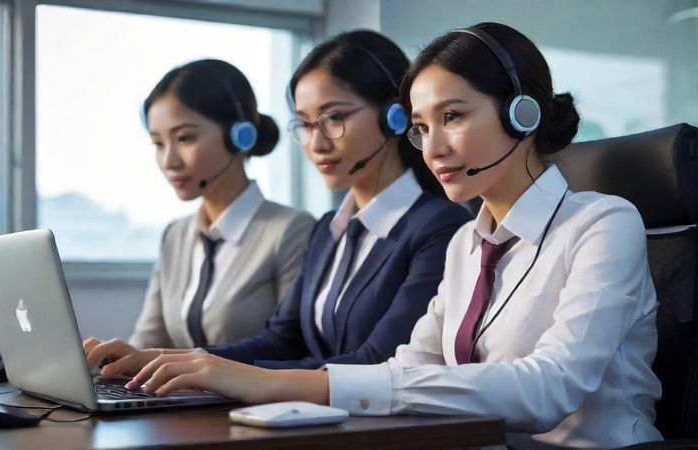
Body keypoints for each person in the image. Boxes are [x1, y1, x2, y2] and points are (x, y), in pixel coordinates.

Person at [119, 23, 663, 449]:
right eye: (422, 128)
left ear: (523, 113)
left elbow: (550, 389)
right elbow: (407, 369)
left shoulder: (603, 223)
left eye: (452, 116)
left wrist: (282, 383)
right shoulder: (466, 245)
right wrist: (216, 374)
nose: (432, 149)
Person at [85, 30, 470, 376]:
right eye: (304, 123)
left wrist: (229, 378)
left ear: (395, 117)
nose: (316, 143)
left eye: (334, 117)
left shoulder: (439, 227)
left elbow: (379, 361)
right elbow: (281, 340)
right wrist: (166, 361)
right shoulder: (328, 230)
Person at [83, 59, 315, 361]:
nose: (169, 161)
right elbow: (148, 341)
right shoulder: (176, 236)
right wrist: (107, 361)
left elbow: (288, 348)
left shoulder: (292, 230)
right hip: (184, 405)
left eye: (184, 138)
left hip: (255, 406)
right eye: (158, 143)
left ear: (240, 136)